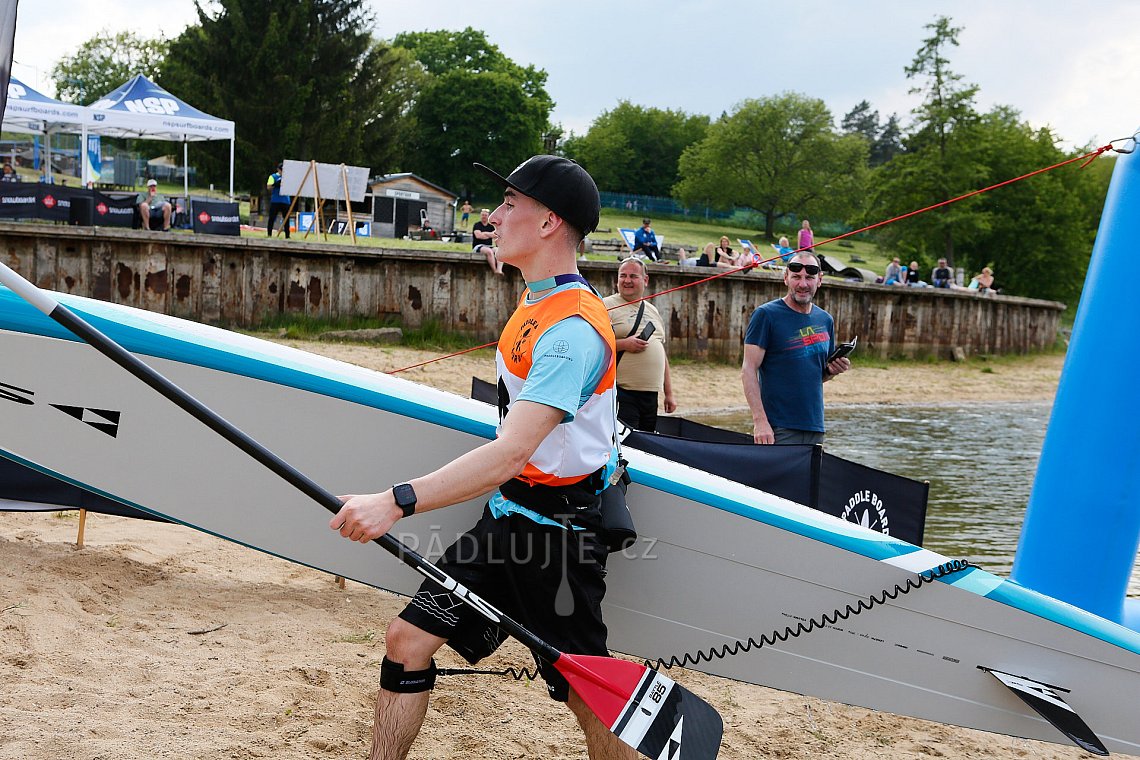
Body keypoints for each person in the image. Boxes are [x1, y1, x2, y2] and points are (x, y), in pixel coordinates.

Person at [330, 155, 632, 760]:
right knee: (406, 639)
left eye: (509, 204)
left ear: (548, 222)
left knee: (586, 692)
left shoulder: (571, 332)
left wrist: (395, 502)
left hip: (559, 541)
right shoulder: (541, 298)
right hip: (507, 519)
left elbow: (509, 452)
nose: (494, 215)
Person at [741, 251, 851, 445]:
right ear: (786, 278)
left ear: (819, 280)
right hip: (778, 428)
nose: (803, 284)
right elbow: (748, 370)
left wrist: (833, 371)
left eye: (809, 277)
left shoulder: (825, 320)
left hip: (815, 426)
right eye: (796, 277)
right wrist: (760, 422)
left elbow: (817, 375)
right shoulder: (766, 315)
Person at [604, 257, 677, 431]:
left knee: (646, 442)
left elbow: (661, 352)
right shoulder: (606, 306)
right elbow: (592, 346)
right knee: (627, 443)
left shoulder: (653, 310)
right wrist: (624, 344)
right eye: (623, 276)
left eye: (633, 276)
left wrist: (669, 393)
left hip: (651, 395)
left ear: (645, 280)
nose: (627, 280)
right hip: (622, 392)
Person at [471, 208, 502, 274]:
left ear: (488, 216)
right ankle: (494, 270)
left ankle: (499, 270)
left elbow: (496, 235)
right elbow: (478, 236)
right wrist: (490, 234)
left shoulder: (491, 226)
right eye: (482, 215)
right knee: (489, 251)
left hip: (489, 246)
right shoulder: (477, 225)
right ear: (480, 216)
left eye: (485, 215)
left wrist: (484, 233)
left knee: (499, 251)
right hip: (478, 246)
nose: (484, 216)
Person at [266, 163, 291, 239]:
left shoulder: (288, 177)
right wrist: (275, 184)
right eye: (281, 170)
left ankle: (287, 235)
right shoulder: (273, 176)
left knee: (286, 218)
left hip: (285, 200)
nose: (282, 172)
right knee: (272, 218)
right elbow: (268, 187)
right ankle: (269, 234)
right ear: (278, 170)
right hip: (276, 200)